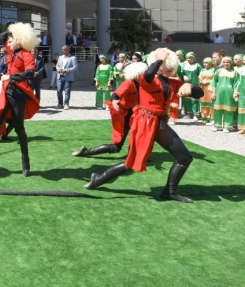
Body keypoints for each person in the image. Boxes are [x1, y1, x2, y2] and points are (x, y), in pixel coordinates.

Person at [84, 48, 203, 203]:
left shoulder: (174, 82)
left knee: (184, 158)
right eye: (163, 64)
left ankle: (170, 192)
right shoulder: (146, 78)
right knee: (132, 162)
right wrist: (159, 60)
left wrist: (191, 88)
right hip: (145, 121)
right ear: (157, 63)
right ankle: (98, 179)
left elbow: (199, 94)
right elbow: (148, 75)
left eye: (169, 64)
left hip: (158, 122)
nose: (168, 67)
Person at [0, 23, 40, 176]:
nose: (8, 42)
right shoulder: (11, 52)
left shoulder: (27, 55)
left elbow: (30, 73)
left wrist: (10, 77)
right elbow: (1, 37)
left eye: (11, 40)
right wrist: (12, 31)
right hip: (6, 92)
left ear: (19, 41)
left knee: (19, 128)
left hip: (18, 93)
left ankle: (25, 160)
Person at [73, 62, 147, 157]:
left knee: (140, 134)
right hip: (125, 115)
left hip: (133, 114)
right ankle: (86, 152)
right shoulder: (129, 83)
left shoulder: (142, 84)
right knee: (116, 147)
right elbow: (115, 94)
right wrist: (114, 100)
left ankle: (135, 155)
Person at [210, 56, 239, 132]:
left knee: (229, 109)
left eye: (228, 62)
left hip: (229, 93)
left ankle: (227, 126)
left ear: (231, 62)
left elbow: (237, 84)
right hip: (219, 92)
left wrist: (235, 93)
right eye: (224, 62)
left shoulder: (235, 72)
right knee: (217, 109)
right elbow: (214, 82)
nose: (226, 64)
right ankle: (217, 125)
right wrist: (213, 92)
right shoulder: (218, 71)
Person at [180, 52, 202, 121]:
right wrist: (184, 76)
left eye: (190, 58)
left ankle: (196, 114)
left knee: (195, 99)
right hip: (186, 84)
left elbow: (201, 74)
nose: (188, 59)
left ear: (194, 58)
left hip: (194, 84)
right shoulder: (184, 65)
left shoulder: (197, 65)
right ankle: (188, 113)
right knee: (187, 99)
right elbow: (181, 73)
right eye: (187, 58)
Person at [56, 45, 77, 110]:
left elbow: (75, 67)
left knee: (67, 91)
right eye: (63, 50)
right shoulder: (60, 57)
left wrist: (66, 70)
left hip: (68, 76)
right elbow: (57, 65)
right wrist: (58, 69)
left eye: (64, 50)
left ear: (68, 50)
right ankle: (60, 103)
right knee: (59, 90)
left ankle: (66, 104)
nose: (63, 51)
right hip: (60, 76)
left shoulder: (73, 58)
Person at [198, 57, 216, 125]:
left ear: (210, 63)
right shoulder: (202, 70)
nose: (205, 64)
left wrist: (208, 81)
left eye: (206, 63)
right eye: (204, 63)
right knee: (203, 103)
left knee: (211, 103)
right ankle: (205, 117)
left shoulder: (213, 70)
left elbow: (215, 79)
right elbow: (199, 77)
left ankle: (212, 118)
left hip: (210, 88)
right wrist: (200, 81)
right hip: (203, 88)